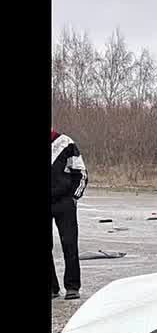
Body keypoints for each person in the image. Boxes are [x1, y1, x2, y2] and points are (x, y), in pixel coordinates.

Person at [51, 128, 87, 300]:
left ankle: (72, 287)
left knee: (70, 244)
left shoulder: (66, 143)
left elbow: (81, 172)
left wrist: (74, 197)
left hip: (64, 201)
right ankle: (52, 288)